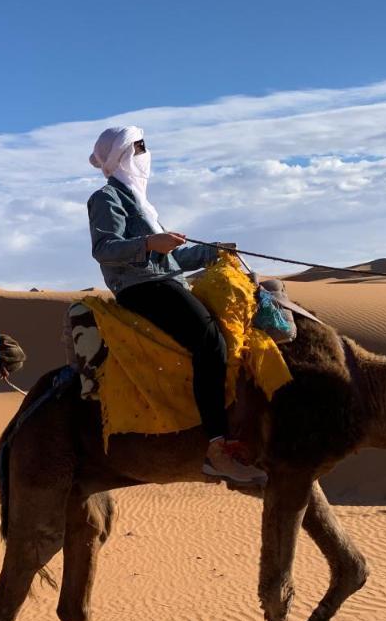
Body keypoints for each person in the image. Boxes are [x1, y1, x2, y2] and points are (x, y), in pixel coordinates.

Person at [88, 126, 267, 485]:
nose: (145, 153)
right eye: (139, 147)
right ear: (122, 155)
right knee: (210, 340)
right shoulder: (106, 198)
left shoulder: (139, 201)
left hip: (164, 280)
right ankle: (217, 447)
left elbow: (170, 259)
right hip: (141, 288)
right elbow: (104, 249)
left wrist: (214, 250)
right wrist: (150, 242)